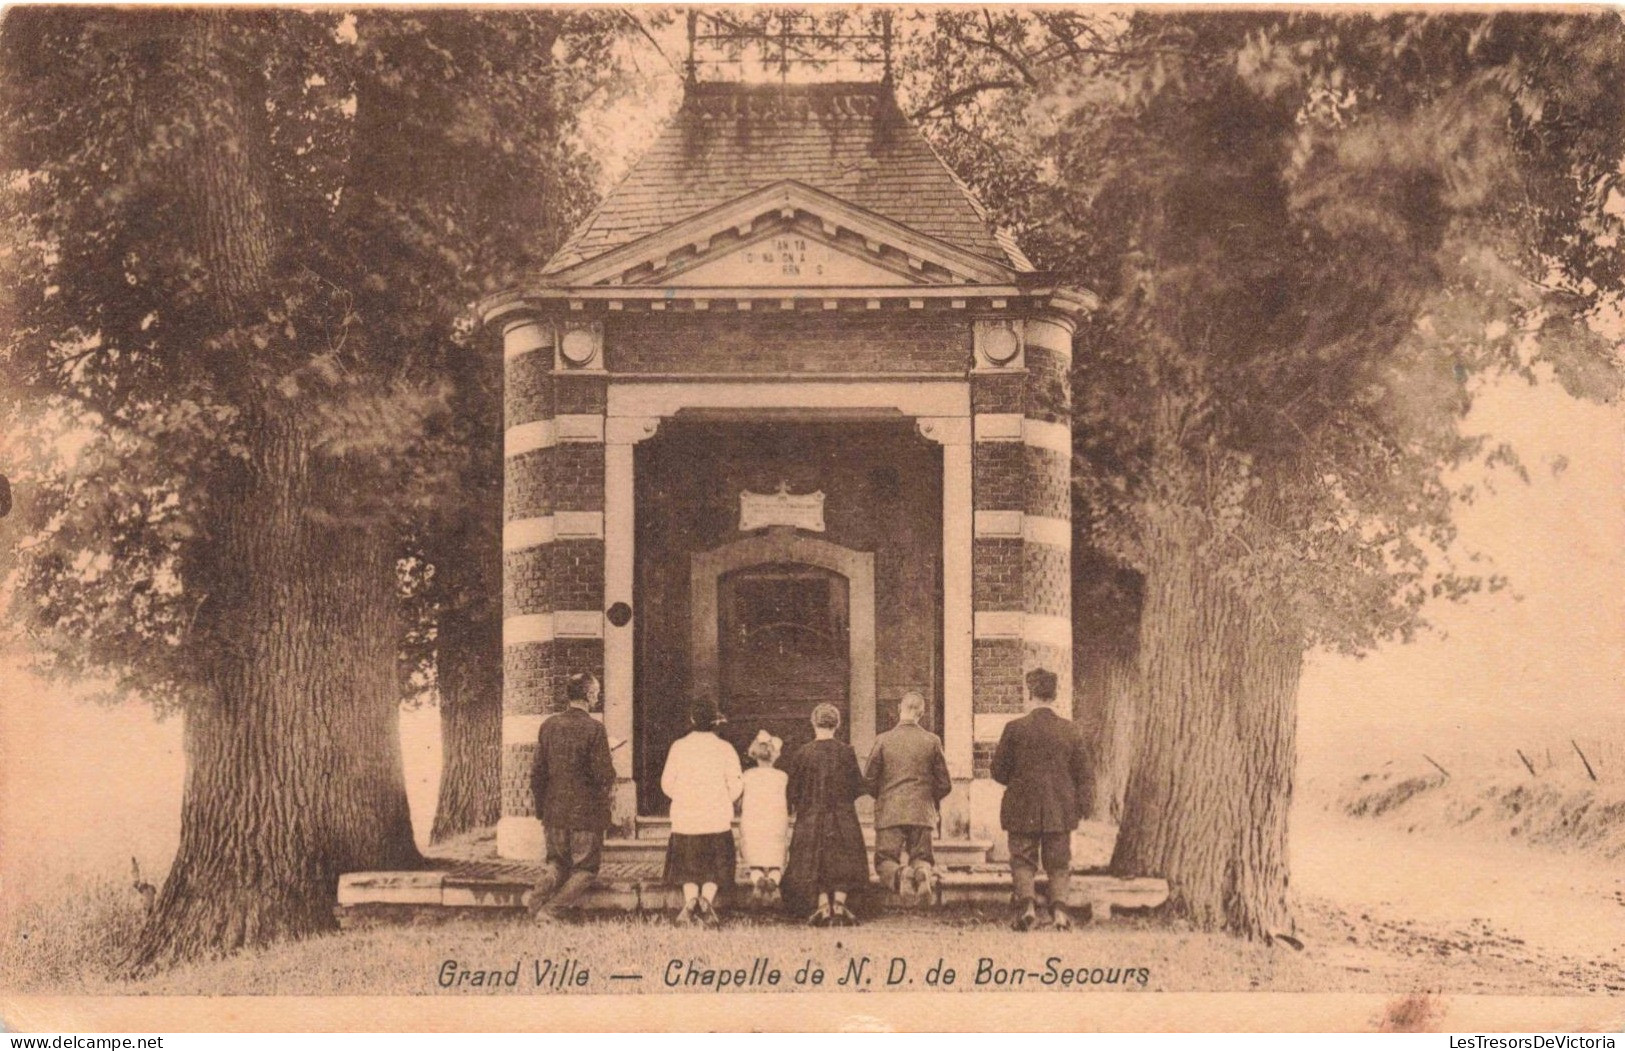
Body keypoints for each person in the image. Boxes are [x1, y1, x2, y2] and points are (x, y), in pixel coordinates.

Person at [990, 667, 1090, 931]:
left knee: (1022, 859)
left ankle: (1028, 907)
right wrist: (1080, 806)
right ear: (1054, 694)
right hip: (1060, 809)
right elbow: (1084, 775)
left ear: (1029, 693)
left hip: (1022, 808)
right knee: (1058, 862)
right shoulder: (1070, 730)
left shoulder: (1014, 729)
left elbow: (998, 772)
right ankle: (1059, 912)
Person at [528, 672, 616, 923]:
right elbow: (604, 776)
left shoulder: (548, 726)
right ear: (588, 696)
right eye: (596, 693)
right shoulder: (595, 729)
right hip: (585, 815)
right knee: (586, 869)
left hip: (554, 811)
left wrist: (541, 809)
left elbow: (537, 774)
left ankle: (538, 897)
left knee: (556, 864)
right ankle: (551, 910)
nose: (597, 697)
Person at [782, 703, 870, 926]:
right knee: (843, 860)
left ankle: (822, 905)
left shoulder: (802, 753)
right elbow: (858, 788)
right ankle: (839, 905)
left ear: (814, 723)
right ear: (837, 725)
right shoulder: (846, 752)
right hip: (842, 818)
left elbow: (792, 792)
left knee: (814, 861)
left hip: (811, 819)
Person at [659, 697, 744, 927]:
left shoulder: (679, 747)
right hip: (716, 820)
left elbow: (666, 783)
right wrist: (722, 800)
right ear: (716, 721)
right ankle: (706, 898)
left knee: (688, 866)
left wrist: (685, 798)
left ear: (692, 719)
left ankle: (690, 901)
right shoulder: (725, 749)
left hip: (686, 820)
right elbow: (737, 785)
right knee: (714, 867)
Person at [863, 691, 952, 906]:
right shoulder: (932, 741)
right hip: (922, 812)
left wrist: (884, 796)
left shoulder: (883, 740)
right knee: (922, 856)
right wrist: (928, 799)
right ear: (922, 713)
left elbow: (868, 779)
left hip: (890, 811)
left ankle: (901, 875)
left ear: (899, 710)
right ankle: (921, 873)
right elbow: (945, 783)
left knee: (885, 859)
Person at [739, 730, 789, 904]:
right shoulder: (782, 777)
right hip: (775, 822)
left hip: (753, 823)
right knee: (776, 861)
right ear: (775, 756)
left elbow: (739, 798)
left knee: (755, 860)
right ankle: (773, 882)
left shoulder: (747, 776)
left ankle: (758, 880)